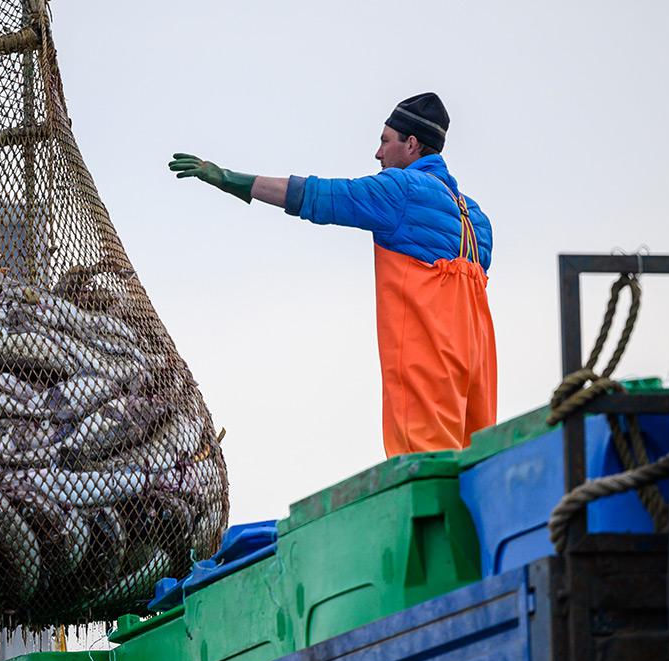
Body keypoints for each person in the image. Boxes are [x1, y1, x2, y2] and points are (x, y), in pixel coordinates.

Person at [168, 92, 496, 456]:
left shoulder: (400, 191)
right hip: (475, 366)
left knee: (425, 468)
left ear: (412, 144)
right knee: (476, 465)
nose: (377, 153)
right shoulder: (477, 219)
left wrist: (230, 179)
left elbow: (318, 196)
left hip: (429, 360)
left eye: (385, 141)